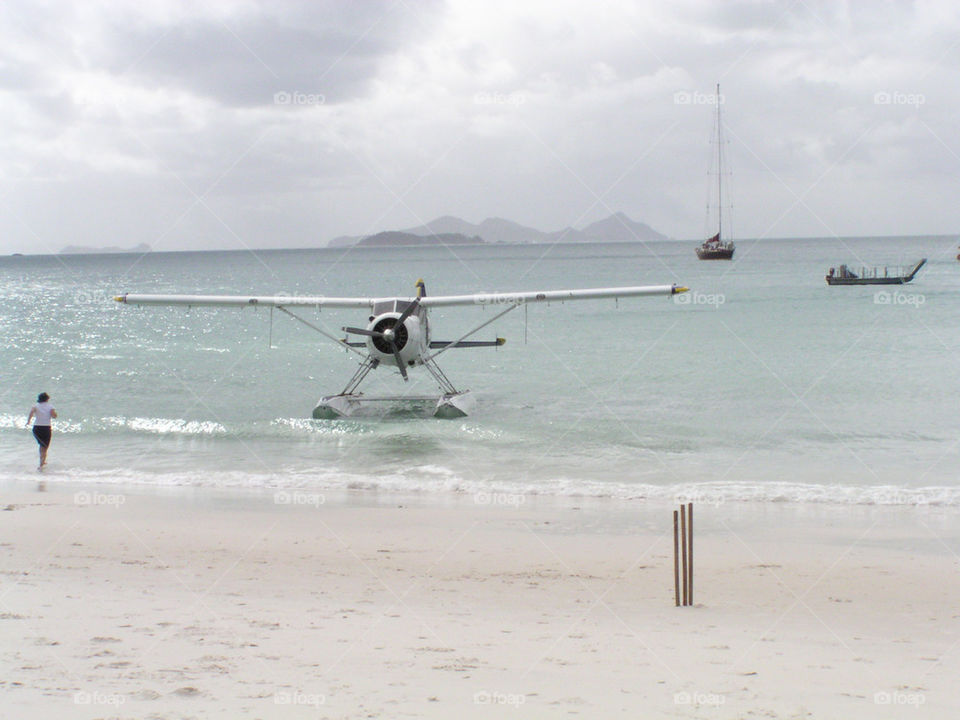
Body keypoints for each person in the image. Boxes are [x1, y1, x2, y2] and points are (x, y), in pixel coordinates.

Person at [27, 392, 57, 470]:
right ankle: (41, 463)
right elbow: (54, 416)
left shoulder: (35, 406)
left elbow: (31, 413)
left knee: (42, 445)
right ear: (47, 399)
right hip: (46, 428)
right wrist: (54, 414)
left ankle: (42, 461)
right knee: (45, 446)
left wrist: (28, 421)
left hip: (36, 428)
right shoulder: (50, 406)